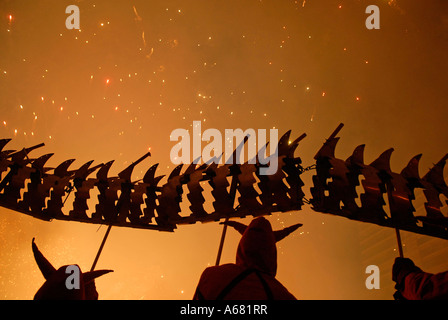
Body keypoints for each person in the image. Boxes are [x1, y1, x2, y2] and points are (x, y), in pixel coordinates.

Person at [193, 216, 302, 300]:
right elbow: (286, 231)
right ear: (271, 250)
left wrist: (231, 223)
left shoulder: (212, 275)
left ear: (243, 243)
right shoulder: (281, 295)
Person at [32, 238, 113, 300]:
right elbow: (53, 275)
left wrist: (36, 253)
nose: (95, 294)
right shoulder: (73, 290)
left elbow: (51, 274)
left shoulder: (72, 289)